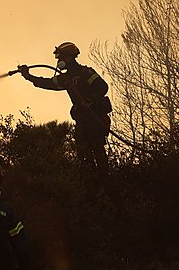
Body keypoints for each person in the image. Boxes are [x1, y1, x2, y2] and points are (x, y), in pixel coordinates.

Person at [18, 42, 111, 172]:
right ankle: (90, 183)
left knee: (98, 150)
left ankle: (106, 181)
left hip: (95, 118)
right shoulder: (66, 78)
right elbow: (48, 83)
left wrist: (90, 100)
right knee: (83, 154)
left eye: (61, 57)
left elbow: (103, 87)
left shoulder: (86, 72)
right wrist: (28, 76)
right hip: (82, 120)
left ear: (69, 57)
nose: (59, 61)